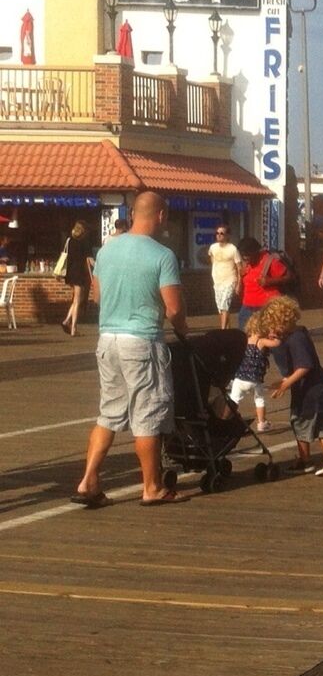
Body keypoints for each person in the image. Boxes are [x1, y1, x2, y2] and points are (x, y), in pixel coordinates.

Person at [75, 191, 187, 507]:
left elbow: (96, 297)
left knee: (109, 412)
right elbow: (174, 309)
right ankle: (152, 487)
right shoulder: (162, 255)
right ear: (161, 215)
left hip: (107, 339)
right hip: (141, 340)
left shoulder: (107, 251)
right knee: (148, 413)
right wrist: (183, 328)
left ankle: (89, 480)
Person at [263, 297, 323, 475]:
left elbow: (304, 365)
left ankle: (307, 460)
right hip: (322, 387)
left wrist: (286, 384)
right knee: (322, 423)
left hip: (310, 391)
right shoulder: (296, 334)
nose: (271, 332)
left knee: (299, 421)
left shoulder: (295, 338)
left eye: (272, 326)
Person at [228, 307, 278, 432]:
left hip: (239, 378)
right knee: (259, 399)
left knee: (233, 400)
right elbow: (276, 343)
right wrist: (275, 335)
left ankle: (226, 418)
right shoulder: (261, 341)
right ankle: (261, 422)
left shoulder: (245, 340)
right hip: (254, 379)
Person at [236, 237, 290, 331]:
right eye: (243, 255)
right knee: (244, 337)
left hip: (267, 306)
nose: (245, 258)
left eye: (248, 255)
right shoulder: (246, 264)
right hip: (247, 306)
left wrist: (270, 281)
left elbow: (289, 277)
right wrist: (240, 277)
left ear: (255, 252)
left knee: (267, 337)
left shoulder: (269, 261)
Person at [61, 220, 94, 336]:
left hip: (70, 272)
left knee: (76, 299)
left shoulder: (69, 240)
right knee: (77, 301)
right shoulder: (84, 241)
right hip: (79, 272)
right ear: (83, 230)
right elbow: (89, 259)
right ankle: (73, 328)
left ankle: (66, 321)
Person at [207, 223, 241, 330]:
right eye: (217, 233)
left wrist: (239, 284)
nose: (219, 235)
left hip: (230, 280)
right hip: (217, 281)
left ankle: (222, 331)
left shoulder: (233, 249)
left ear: (227, 235)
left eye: (222, 233)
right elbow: (212, 259)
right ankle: (227, 330)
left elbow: (239, 268)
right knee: (221, 309)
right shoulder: (213, 247)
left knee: (224, 305)